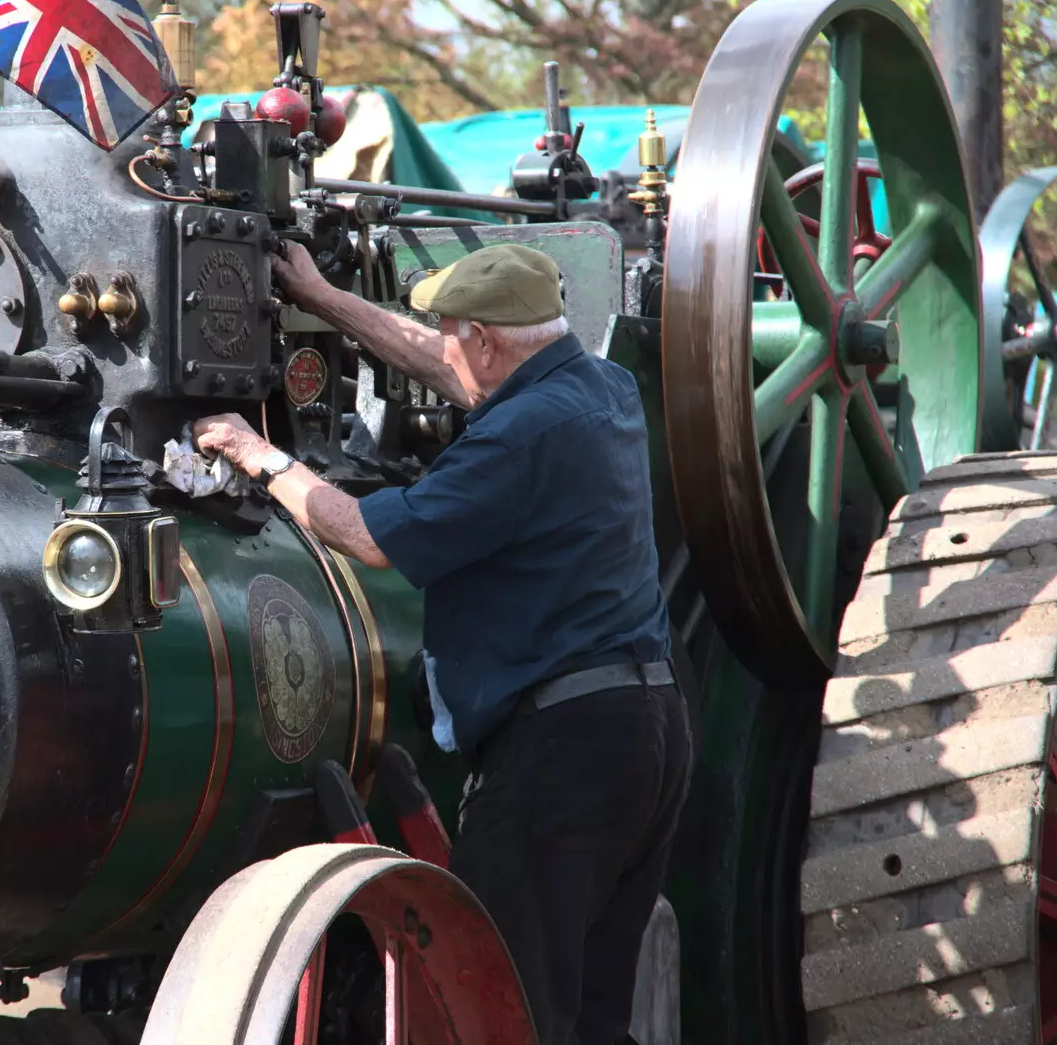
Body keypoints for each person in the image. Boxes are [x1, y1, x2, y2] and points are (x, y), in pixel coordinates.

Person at [194, 241, 690, 1045]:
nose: (443, 342)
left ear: (489, 343)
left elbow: (365, 536)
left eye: (454, 329)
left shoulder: (514, 440)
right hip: (651, 731)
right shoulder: (604, 386)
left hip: (561, 755)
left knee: (507, 1008)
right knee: (592, 1015)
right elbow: (445, 362)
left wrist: (259, 456)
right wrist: (323, 299)